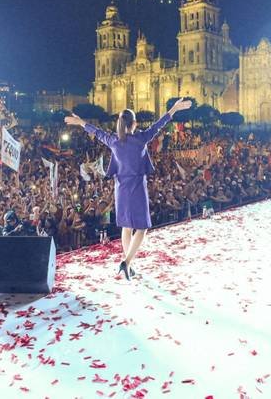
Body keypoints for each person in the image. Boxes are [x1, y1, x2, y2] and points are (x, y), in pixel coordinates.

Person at [65, 98, 193, 280]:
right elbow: (158, 126)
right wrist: (173, 109)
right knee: (141, 228)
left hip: (121, 189)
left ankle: (129, 265)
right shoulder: (141, 138)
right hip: (137, 187)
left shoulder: (113, 141)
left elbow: (97, 132)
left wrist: (81, 122)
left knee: (126, 227)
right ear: (134, 124)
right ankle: (126, 262)